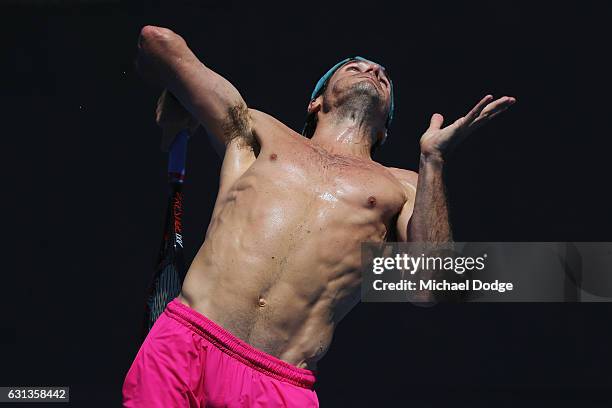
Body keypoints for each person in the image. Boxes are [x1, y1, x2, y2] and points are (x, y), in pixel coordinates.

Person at [123, 25, 516, 407]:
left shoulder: (404, 185)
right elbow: (156, 41)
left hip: (278, 383)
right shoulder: (256, 130)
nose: (373, 70)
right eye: (354, 66)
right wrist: (175, 92)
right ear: (316, 102)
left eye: (383, 75)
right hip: (186, 344)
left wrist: (434, 160)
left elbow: (429, 286)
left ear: (384, 131)